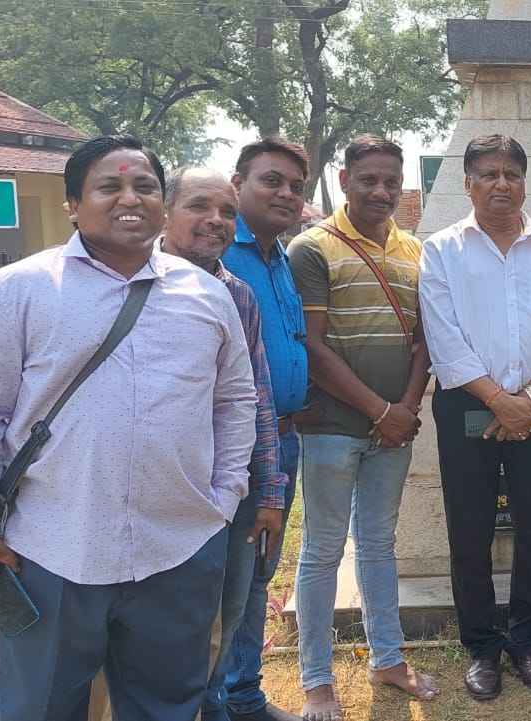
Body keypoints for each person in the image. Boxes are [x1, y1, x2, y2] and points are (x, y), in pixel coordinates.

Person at [0, 135, 258, 721]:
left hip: (180, 546)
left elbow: (234, 401)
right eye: (110, 186)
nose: (130, 198)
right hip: (52, 548)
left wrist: (224, 497)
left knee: (166, 706)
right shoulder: (18, 290)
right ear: (72, 205)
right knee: (42, 707)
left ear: (162, 203)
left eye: (145, 186)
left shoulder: (208, 295)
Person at [419, 134, 531, 701]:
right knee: (471, 529)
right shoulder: (442, 250)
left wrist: (529, 400)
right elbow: (444, 337)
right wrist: (499, 401)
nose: (501, 184)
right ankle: (482, 647)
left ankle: (528, 639)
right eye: (488, 174)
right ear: (467, 183)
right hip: (469, 407)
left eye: (511, 174)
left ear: (524, 183)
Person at [288, 135, 435, 720]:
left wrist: (406, 408)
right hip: (331, 426)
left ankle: (388, 660)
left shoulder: (414, 250)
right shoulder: (312, 248)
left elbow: (424, 341)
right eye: (369, 180)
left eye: (390, 182)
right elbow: (313, 348)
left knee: (378, 544)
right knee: (322, 551)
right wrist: (381, 411)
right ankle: (317, 680)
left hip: (394, 430)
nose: (381, 191)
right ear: (344, 181)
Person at [157, 168, 293, 721]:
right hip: (160, 489)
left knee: (228, 611)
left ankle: (218, 706)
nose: (215, 220)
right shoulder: (128, 283)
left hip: (231, 488)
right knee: (163, 626)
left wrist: (269, 493)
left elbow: (256, 398)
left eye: (226, 212)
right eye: (198, 206)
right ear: (165, 212)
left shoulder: (237, 294)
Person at [217, 137, 311, 721]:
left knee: (256, 573)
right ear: (238, 185)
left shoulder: (281, 257)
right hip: (233, 445)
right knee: (225, 577)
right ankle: (217, 699)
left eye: (296, 187)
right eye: (271, 181)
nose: (286, 195)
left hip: (282, 440)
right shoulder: (218, 252)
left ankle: (243, 695)